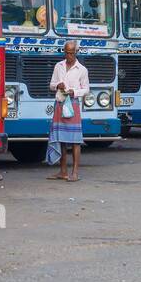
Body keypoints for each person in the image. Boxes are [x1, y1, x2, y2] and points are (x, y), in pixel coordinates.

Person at [47, 39, 89, 182]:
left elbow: (86, 89)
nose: (69, 55)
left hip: (73, 104)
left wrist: (74, 92)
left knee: (75, 141)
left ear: (76, 52)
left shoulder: (82, 69)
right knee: (61, 139)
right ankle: (63, 171)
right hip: (59, 103)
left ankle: (75, 172)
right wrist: (58, 85)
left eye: (71, 53)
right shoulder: (58, 66)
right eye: (66, 52)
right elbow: (51, 85)